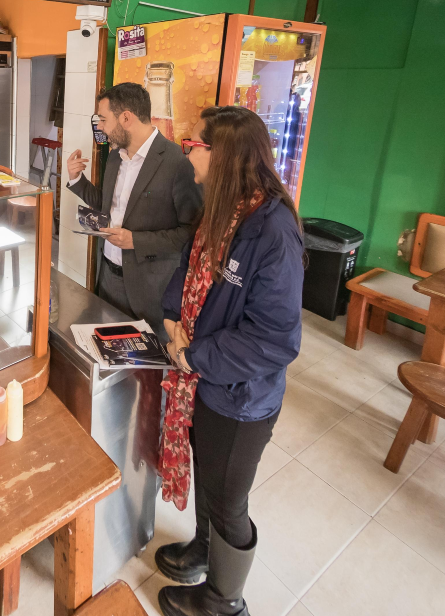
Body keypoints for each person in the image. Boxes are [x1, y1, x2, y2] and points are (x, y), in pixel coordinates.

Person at [153, 105, 304, 616]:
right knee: (207, 474)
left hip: (240, 397)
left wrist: (191, 355)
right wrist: (172, 319)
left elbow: (274, 339)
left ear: (223, 157)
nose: (186, 153)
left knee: (228, 500)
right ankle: (203, 548)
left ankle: (224, 601)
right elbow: (187, 269)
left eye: (194, 146)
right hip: (203, 380)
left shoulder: (273, 231)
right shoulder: (220, 209)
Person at [66, 82, 202, 340]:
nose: (100, 127)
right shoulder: (115, 156)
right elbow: (108, 205)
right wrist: (77, 180)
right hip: (108, 277)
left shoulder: (177, 163)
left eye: (103, 119)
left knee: (144, 361)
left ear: (126, 118)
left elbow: (191, 234)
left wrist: (135, 241)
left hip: (149, 289)